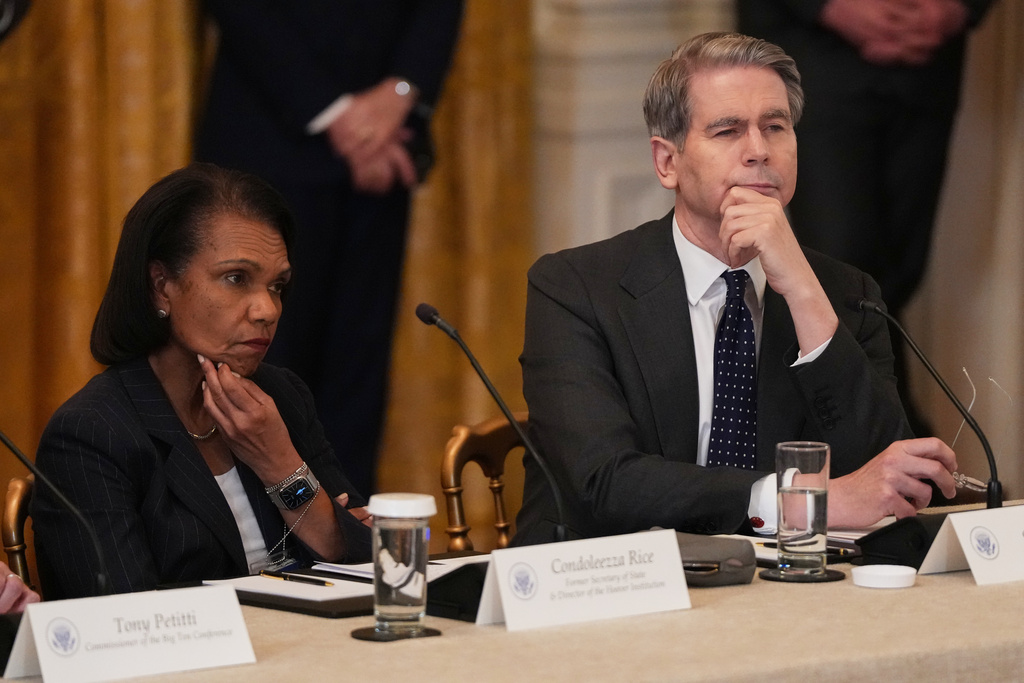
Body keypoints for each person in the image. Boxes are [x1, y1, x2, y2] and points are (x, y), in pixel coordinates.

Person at [513, 32, 958, 546]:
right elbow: (605, 482)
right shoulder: (574, 288)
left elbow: (883, 482)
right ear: (667, 162)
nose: (758, 151)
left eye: (776, 126)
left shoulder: (845, 292)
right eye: (727, 131)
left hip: (785, 592)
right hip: (612, 584)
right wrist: (798, 502)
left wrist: (805, 295)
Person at [31, 164, 373, 600]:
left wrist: (283, 466)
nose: (266, 309)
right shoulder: (93, 434)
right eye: (236, 278)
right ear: (161, 287)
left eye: (278, 286)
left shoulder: (281, 397)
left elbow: (369, 565)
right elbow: (128, 624)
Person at [194, 2, 465, 497]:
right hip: (265, 143)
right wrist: (338, 115)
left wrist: (400, 91)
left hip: (384, 155)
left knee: (358, 380)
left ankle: (347, 545)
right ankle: (258, 554)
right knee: (258, 369)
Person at [736, 0, 996, 435]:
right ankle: (895, 443)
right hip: (814, 56)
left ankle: (892, 447)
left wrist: (958, 9)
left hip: (927, 66)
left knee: (899, 273)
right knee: (843, 271)